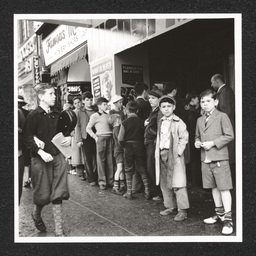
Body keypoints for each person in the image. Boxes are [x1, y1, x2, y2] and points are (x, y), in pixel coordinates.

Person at [23, 83, 71, 236]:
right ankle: (36, 214)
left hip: (57, 156)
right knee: (42, 194)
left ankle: (59, 231)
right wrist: (39, 151)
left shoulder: (58, 113)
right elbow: (27, 137)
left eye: (54, 93)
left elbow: (65, 131)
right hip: (41, 159)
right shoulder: (33, 116)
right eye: (51, 94)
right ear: (41, 96)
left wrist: (69, 138)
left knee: (59, 191)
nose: (54, 96)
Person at [195, 89, 234, 235]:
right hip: (205, 159)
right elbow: (197, 136)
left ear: (216, 102)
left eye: (208, 101)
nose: (204, 104)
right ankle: (219, 214)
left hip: (219, 158)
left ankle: (228, 220)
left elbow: (230, 135)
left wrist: (213, 143)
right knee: (214, 187)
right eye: (202, 102)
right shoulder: (200, 119)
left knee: (224, 188)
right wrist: (197, 142)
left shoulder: (222, 116)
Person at [155, 95, 190, 222]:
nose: (166, 109)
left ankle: (182, 210)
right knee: (165, 182)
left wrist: (178, 152)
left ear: (174, 107)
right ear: (160, 108)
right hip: (162, 154)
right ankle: (170, 206)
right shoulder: (160, 121)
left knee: (178, 183)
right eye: (163, 107)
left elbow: (184, 138)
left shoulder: (179, 122)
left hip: (174, 155)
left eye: (169, 106)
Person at [118, 101, 151, 200]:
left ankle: (129, 193)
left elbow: (120, 138)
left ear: (127, 111)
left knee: (128, 169)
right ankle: (147, 191)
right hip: (140, 146)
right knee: (142, 168)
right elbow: (146, 135)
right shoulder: (142, 122)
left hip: (128, 147)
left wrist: (124, 146)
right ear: (137, 110)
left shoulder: (124, 122)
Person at [210, 74, 235, 185]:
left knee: (228, 154)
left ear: (216, 81)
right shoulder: (225, 91)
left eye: (212, 82)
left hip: (225, 128)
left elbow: (225, 112)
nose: (211, 85)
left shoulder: (224, 92)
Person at [86, 96, 114, 190]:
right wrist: (95, 137)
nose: (106, 106)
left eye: (107, 104)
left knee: (110, 160)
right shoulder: (94, 116)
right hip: (101, 138)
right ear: (99, 106)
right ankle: (102, 182)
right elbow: (88, 128)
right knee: (100, 160)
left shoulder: (108, 115)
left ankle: (111, 180)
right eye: (104, 104)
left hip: (109, 138)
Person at [144, 88, 163, 200]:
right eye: (149, 98)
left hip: (153, 142)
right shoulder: (153, 111)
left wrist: (148, 129)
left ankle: (158, 192)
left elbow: (158, 128)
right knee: (151, 167)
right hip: (150, 142)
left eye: (153, 98)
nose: (150, 100)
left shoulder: (159, 112)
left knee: (153, 168)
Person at [76, 92, 98, 186]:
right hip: (85, 137)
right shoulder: (80, 111)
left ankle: (97, 176)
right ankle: (91, 178)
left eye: (90, 100)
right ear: (83, 101)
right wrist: (79, 140)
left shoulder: (95, 110)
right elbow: (78, 126)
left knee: (96, 157)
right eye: (87, 100)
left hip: (96, 135)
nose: (89, 102)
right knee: (88, 158)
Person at [184, 91, 202, 188]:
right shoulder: (193, 113)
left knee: (191, 159)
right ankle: (196, 182)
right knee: (195, 159)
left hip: (189, 138)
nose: (199, 100)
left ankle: (191, 180)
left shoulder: (188, 111)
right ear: (192, 100)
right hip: (193, 138)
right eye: (197, 98)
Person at [108, 114, 126, 195]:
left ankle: (122, 185)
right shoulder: (118, 128)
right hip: (119, 150)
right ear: (117, 120)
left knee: (121, 168)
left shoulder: (114, 129)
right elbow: (120, 139)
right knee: (119, 168)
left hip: (117, 150)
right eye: (119, 119)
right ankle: (115, 187)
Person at [71, 96, 86, 180]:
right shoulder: (72, 113)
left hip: (83, 134)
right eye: (75, 103)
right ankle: (80, 173)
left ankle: (86, 171)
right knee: (77, 155)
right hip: (75, 136)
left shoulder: (84, 111)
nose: (77, 104)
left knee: (84, 154)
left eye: (78, 102)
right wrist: (72, 133)